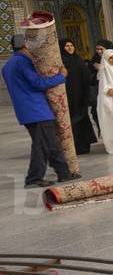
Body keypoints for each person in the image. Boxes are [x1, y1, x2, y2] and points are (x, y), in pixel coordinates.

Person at [3, 33, 76, 187]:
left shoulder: (8, 65)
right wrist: (61, 76)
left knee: (48, 143)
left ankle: (63, 173)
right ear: (25, 46)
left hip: (27, 111)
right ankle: (34, 178)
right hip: (36, 110)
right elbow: (38, 83)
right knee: (42, 145)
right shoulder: (22, 62)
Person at [60, 38, 97, 154]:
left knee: (82, 120)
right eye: (67, 46)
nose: (70, 48)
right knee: (72, 121)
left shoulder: (78, 59)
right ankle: (74, 146)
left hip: (81, 96)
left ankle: (84, 145)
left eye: (71, 45)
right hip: (69, 97)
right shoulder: (61, 61)